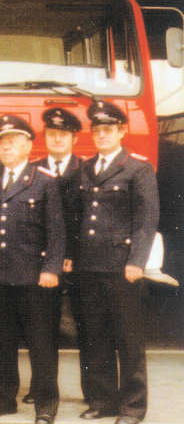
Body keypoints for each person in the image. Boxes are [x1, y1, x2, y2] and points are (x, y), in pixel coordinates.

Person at [0, 115, 65, 424]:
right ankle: (2, 401)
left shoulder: (45, 180)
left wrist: (51, 268)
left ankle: (46, 405)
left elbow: (56, 231)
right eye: (3, 141)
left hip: (33, 276)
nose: (7, 146)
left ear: (28, 145)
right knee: (0, 341)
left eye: (14, 141)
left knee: (40, 344)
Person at [75, 101, 159, 424]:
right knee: (95, 337)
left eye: (108, 130)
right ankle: (103, 401)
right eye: (96, 130)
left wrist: (136, 260)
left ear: (122, 131)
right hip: (90, 266)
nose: (101, 135)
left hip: (122, 267)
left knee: (129, 340)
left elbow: (146, 220)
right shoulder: (85, 168)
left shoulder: (138, 169)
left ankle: (133, 408)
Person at [26, 107, 88, 405]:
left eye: (63, 134)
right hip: (41, 262)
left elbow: (86, 220)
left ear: (74, 138)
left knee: (87, 327)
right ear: (44, 137)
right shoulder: (33, 170)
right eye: (52, 134)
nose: (58, 139)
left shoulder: (87, 170)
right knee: (42, 329)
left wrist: (71, 254)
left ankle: (94, 393)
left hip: (78, 262)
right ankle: (40, 389)